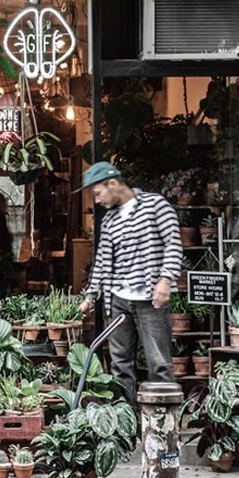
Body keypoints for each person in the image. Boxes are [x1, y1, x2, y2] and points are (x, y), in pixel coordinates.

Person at [77, 161, 183, 406]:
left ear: (112, 184)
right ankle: (128, 427)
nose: (97, 200)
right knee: (120, 364)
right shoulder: (109, 220)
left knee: (159, 363)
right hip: (119, 301)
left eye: (98, 193)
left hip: (150, 300)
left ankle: (162, 429)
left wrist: (165, 279)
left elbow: (173, 244)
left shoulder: (156, 206)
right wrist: (90, 297)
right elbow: (102, 261)